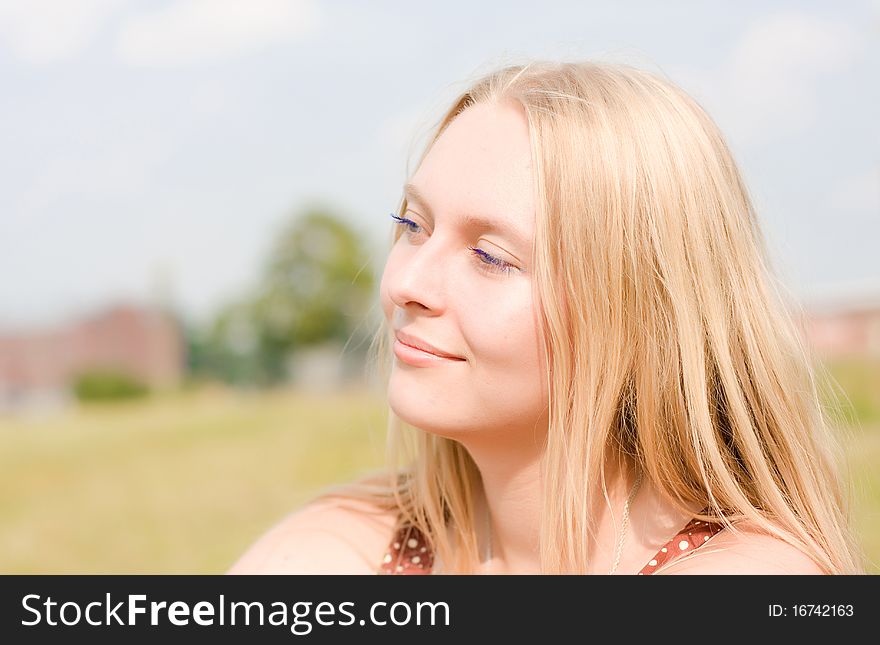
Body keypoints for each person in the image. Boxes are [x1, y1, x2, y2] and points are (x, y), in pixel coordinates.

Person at [227, 60, 865, 575]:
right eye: (411, 226)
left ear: (640, 314)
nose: (405, 283)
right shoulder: (333, 553)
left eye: (490, 256)